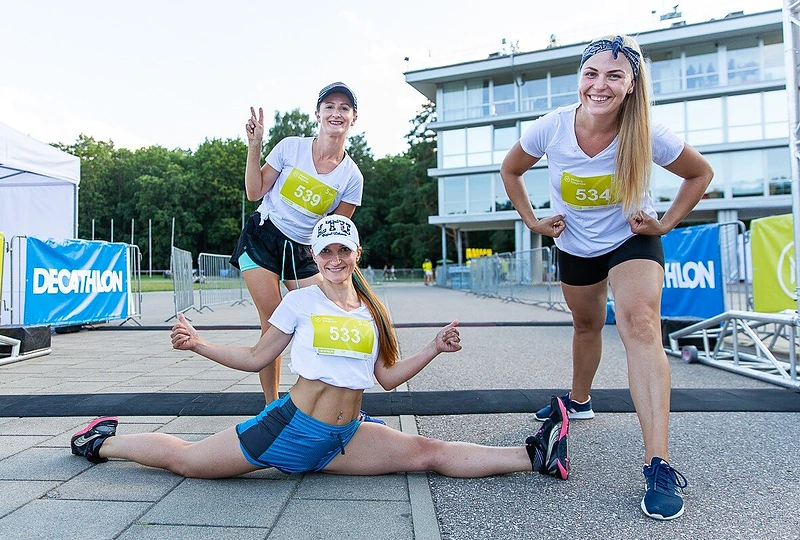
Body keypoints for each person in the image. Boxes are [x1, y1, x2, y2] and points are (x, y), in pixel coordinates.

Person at [71, 215, 570, 482]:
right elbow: (255, 358)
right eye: (325, 250)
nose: (334, 258)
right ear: (314, 254)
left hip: (344, 437)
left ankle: (535, 455)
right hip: (288, 429)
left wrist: (434, 348)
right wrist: (199, 344)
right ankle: (102, 442)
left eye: (343, 250)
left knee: (426, 453)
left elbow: (388, 379)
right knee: (189, 461)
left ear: (357, 255)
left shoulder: (375, 309)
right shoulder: (300, 302)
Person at [500, 35, 712, 521]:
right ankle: (579, 401)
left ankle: (657, 462)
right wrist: (533, 220)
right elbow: (511, 170)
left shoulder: (648, 133)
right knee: (586, 324)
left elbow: (699, 174)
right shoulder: (551, 127)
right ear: (580, 78)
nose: (600, 85)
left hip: (630, 239)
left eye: (614, 75)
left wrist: (665, 225)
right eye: (591, 74)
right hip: (574, 243)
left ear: (632, 84)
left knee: (640, 324)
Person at [229, 82, 370, 416]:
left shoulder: (352, 177)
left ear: (354, 118)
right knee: (274, 321)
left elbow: (332, 235)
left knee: (327, 314)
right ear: (317, 113)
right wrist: (254, 147)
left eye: (344, 108)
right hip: (263, 238)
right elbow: (254, 191)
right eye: (330, 106)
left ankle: (330, 398)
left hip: (304, 251)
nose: (337, 113)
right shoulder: (290, 148)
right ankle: (271, 407)